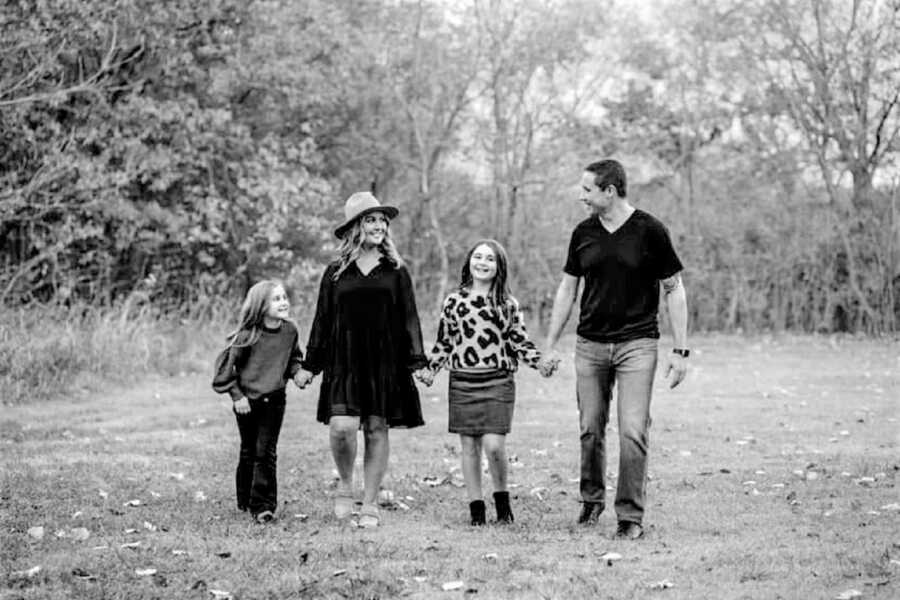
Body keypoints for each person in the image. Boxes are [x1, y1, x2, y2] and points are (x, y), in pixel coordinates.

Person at [540, 159, 689, 540]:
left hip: (637, 344)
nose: (581, 196)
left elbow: (674, 289)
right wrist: (551, 343)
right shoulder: (583, 233)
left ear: (610, 191)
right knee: (590, 428)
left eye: (587, 190)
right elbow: (567, 288)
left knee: (632, 430)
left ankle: (630, 516)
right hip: (590, 344)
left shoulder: (650, 231)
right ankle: (591, 500)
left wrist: (681, 350)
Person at [294, 191, 429, 529]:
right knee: (342, 428)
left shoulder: (396, 271)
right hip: (345, 359)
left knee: (375, 427)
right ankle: (344, 482)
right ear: (356, 226)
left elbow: (409, 318)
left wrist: (417, 362)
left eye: (382, 220)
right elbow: (322, 319)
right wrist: (311, 365)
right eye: (371, 219)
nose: (379, 225)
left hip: (385, 360)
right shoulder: (336, 271)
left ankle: (369, 501)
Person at [418, 239, 556, 526]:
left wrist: (540, 362)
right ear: (469, 261)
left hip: (497, 381)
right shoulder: (454, 301)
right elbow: (445, 342)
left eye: (489, 259)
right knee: (468, 446)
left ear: (498, 267)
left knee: (494, 445)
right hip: (463, 382)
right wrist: (431, 370)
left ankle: (502, 503)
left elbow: (519, 340)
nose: (482, 263)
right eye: (478, 257)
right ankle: (476, 509)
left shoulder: (506, 304)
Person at [212, 280, 305, 524]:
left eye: (284, 297)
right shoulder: (247, 335)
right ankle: (244, 498)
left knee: (265, 452)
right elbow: (225, 369)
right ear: (260, 305)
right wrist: (237, 396)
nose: (283, 302)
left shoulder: (290, 330)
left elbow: (294, 357)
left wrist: (297, 373)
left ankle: (262, 505)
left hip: (274, 399)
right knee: (248, 450)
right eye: (276, 299)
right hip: (247, 401)